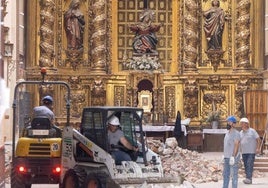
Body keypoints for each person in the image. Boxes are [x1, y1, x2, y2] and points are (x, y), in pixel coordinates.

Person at [239, 117, 261, 184]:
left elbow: (258, 139)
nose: (241, 125)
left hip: (251, 151)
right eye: (241, 123)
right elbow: (239, 142)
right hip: (244, 152)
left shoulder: (252, 131)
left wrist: (258, 148)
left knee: (249, 164)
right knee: (246, 165)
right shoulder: (240, 132)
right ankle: (248, 178)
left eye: (242, 123)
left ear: (246, 124)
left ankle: (249, 179)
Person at [222, 116, 240, 188]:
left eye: (229, 122)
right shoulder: (227, 133)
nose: (228, 124)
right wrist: (224, 155)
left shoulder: (236, 133)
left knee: (234, 175)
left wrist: (233, 156)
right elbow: (226, 145)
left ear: (234, 124)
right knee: (225, 174)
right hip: (226, 157)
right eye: (227, 122)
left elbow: (236, 145)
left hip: (233, 158)